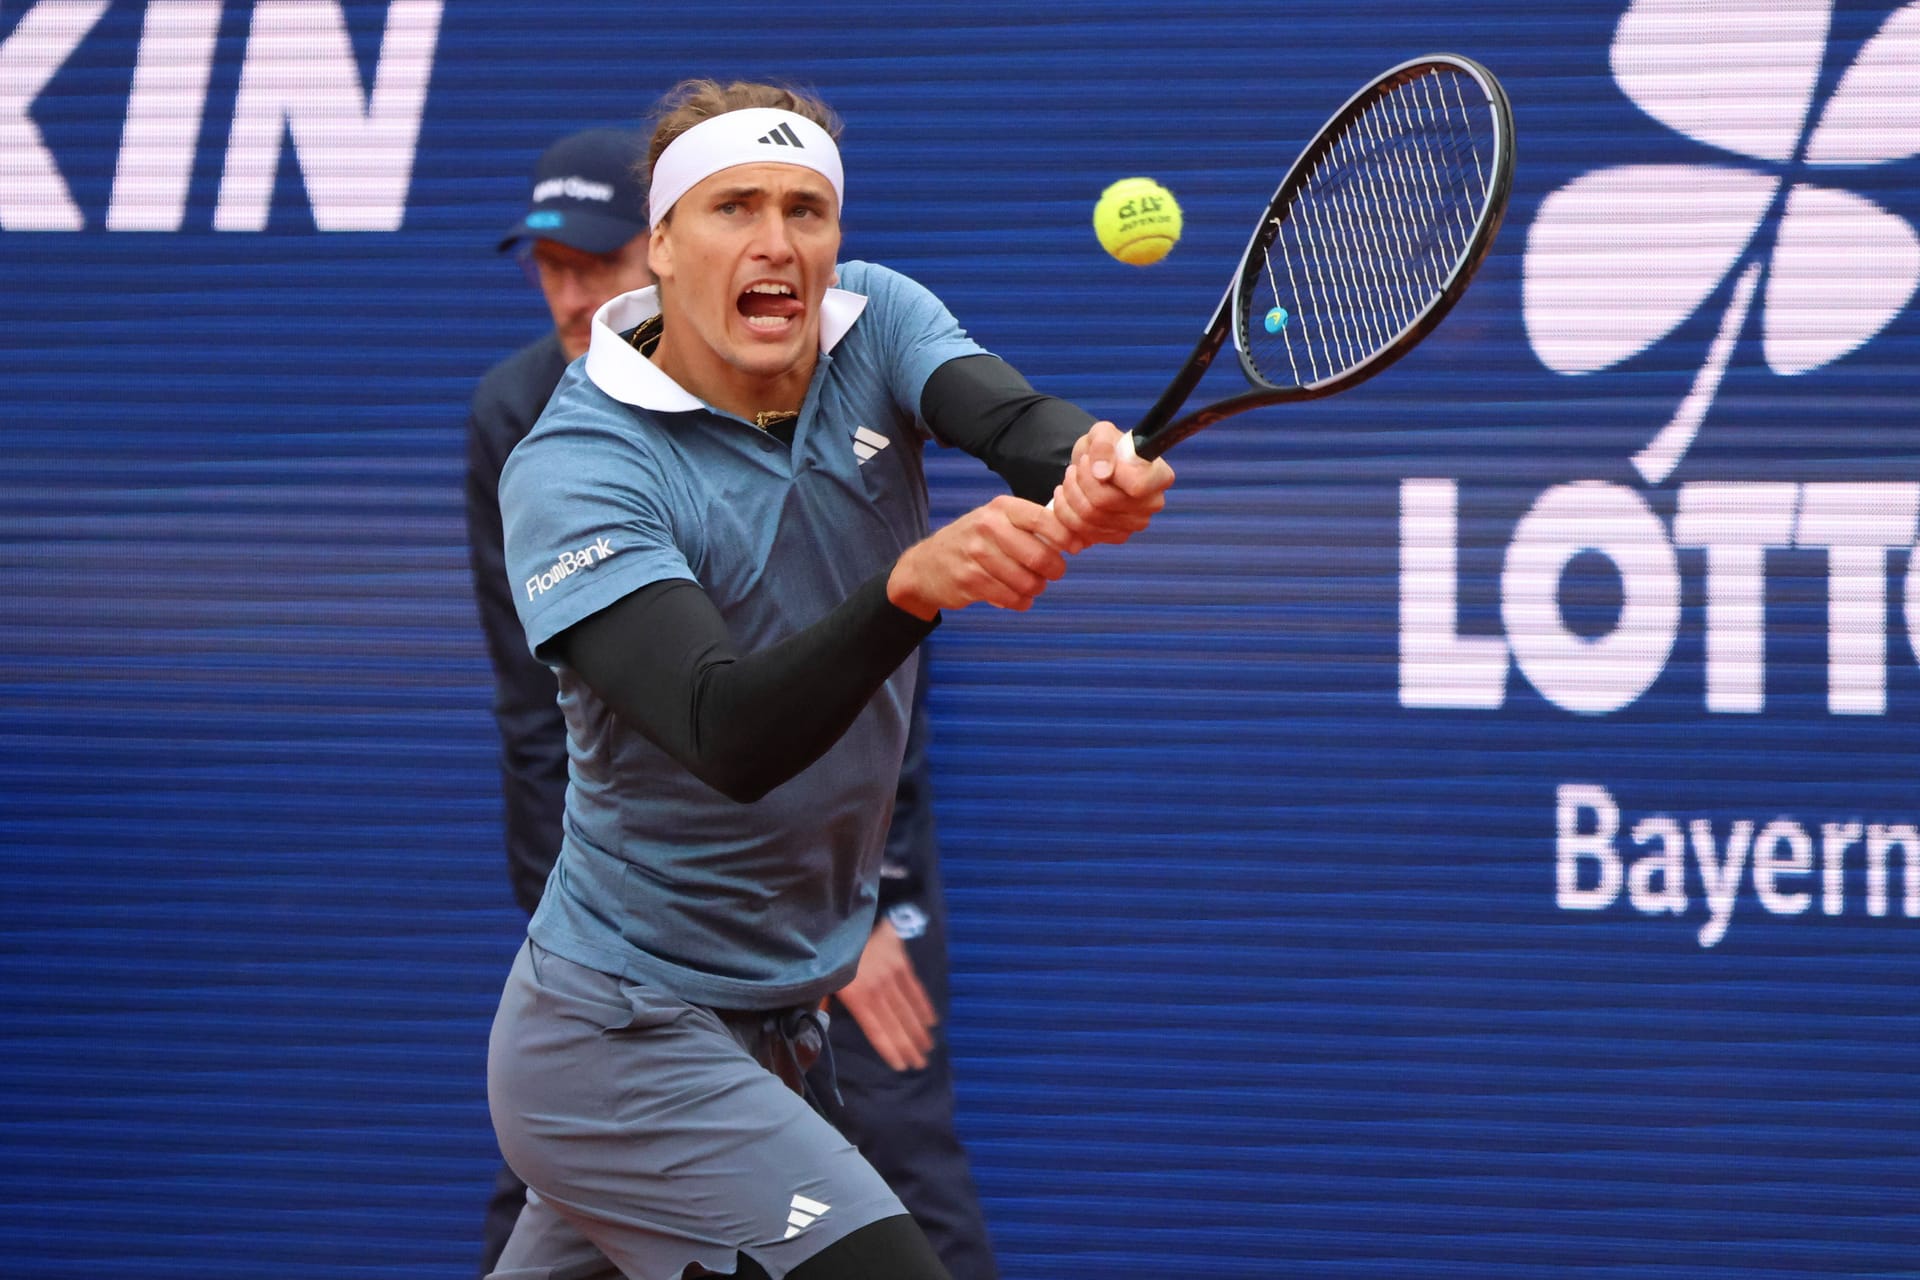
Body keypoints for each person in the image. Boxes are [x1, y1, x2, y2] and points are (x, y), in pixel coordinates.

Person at [486, 80, 1173, 1280]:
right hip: (620, 1035)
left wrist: (1090, 461)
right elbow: (725, 727)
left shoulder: (878, 322)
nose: (776, 243)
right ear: (658, 247)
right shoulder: (577, 464)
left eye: (807, 209)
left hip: (772, 1026)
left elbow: (1007, 418)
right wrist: (910, 586)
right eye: (733, 207)